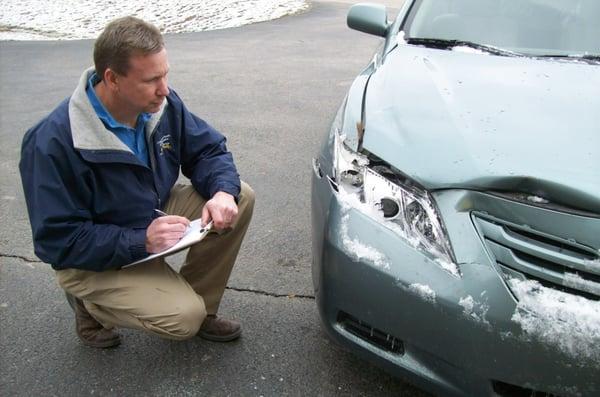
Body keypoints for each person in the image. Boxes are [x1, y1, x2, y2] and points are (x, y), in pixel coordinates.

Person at [19, 16, 255, 348]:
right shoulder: (52, 142)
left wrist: (221, 192)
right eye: (151, 80)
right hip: (91, 257)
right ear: (112, 78)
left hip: (145, 215)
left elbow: (209, 150)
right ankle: (91, 306)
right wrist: (139, 240)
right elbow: (57, 240)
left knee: (239, 196)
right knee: (181, 319)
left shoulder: (161, 105)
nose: (165, 89)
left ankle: (203, 306)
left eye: (165, 74)